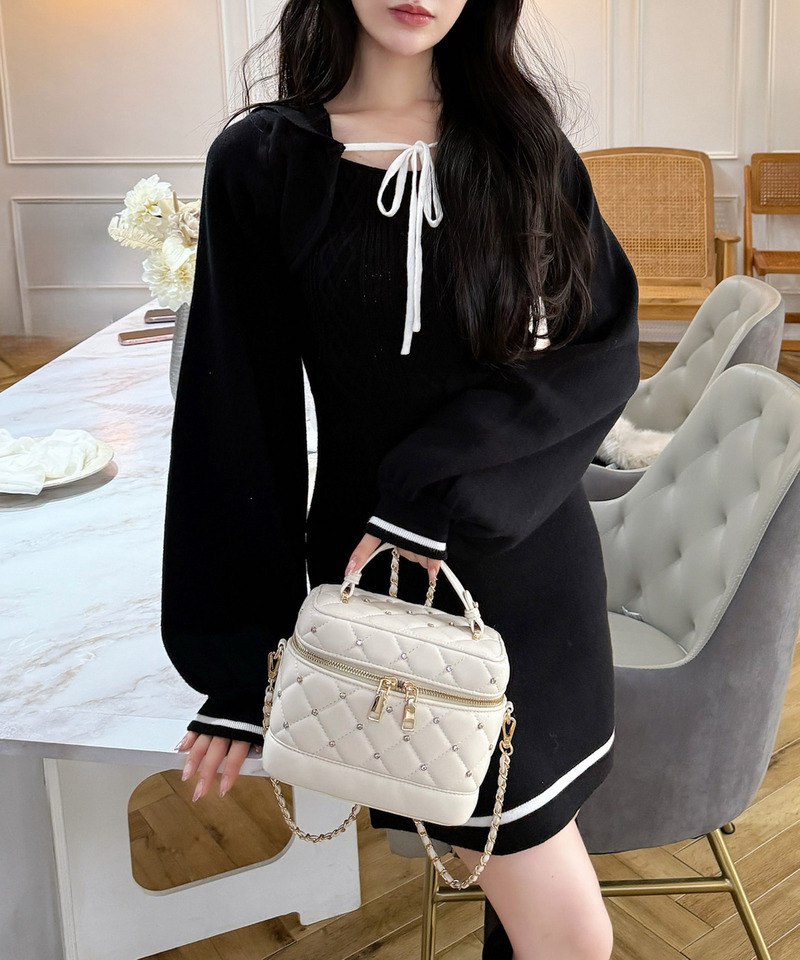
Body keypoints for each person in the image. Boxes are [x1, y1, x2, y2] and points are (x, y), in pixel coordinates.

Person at [161, 1, 640, 957]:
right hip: (389, 595)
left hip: (534, 571)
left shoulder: (523, 144)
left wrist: (432, 485)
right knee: (569, 933)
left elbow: (598, 351)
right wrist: (240, 663)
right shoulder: (265, 163)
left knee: (539, 905)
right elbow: (236, 417)